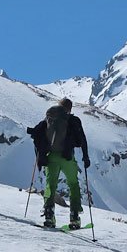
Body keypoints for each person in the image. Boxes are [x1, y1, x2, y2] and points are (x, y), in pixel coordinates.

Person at [28, 98, 90, 229]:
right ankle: (74, 218)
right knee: (73, 184)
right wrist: (86, 157)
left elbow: (36, 133)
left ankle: (49, 216)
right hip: (67, 158)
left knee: (50, 186)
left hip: (51, 157)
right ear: (70, 109)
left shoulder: (49, 118)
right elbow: (82, 139)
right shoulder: (73, 120)